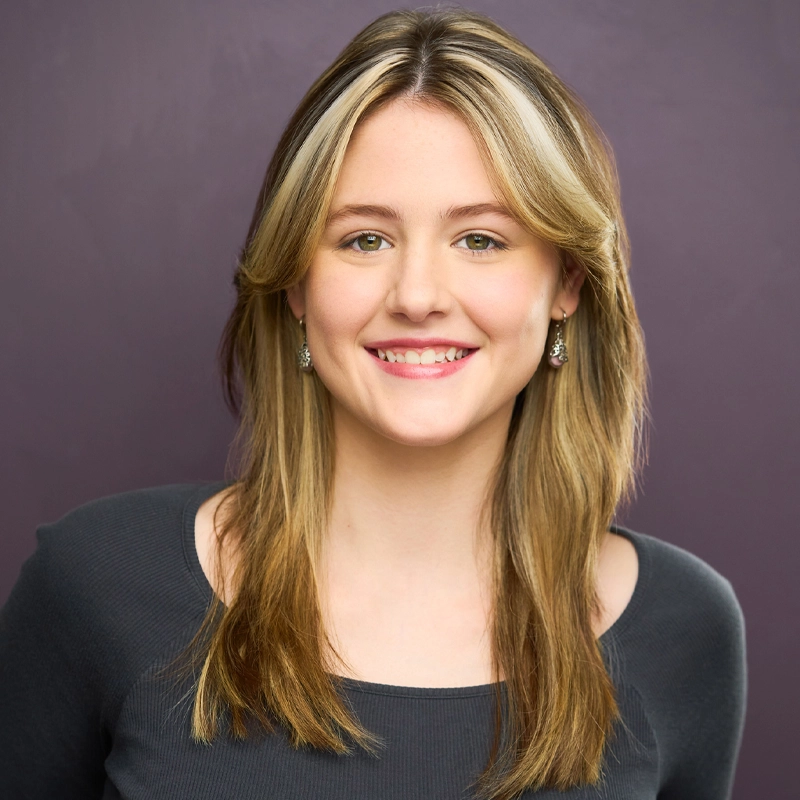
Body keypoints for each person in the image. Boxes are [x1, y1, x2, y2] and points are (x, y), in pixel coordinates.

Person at [0, 8, 746, 799]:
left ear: (565, 283)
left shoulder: (683, 628)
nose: (418, 297)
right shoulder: (96, 582)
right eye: (364, 239)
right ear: (295, 281)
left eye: (481, 239)